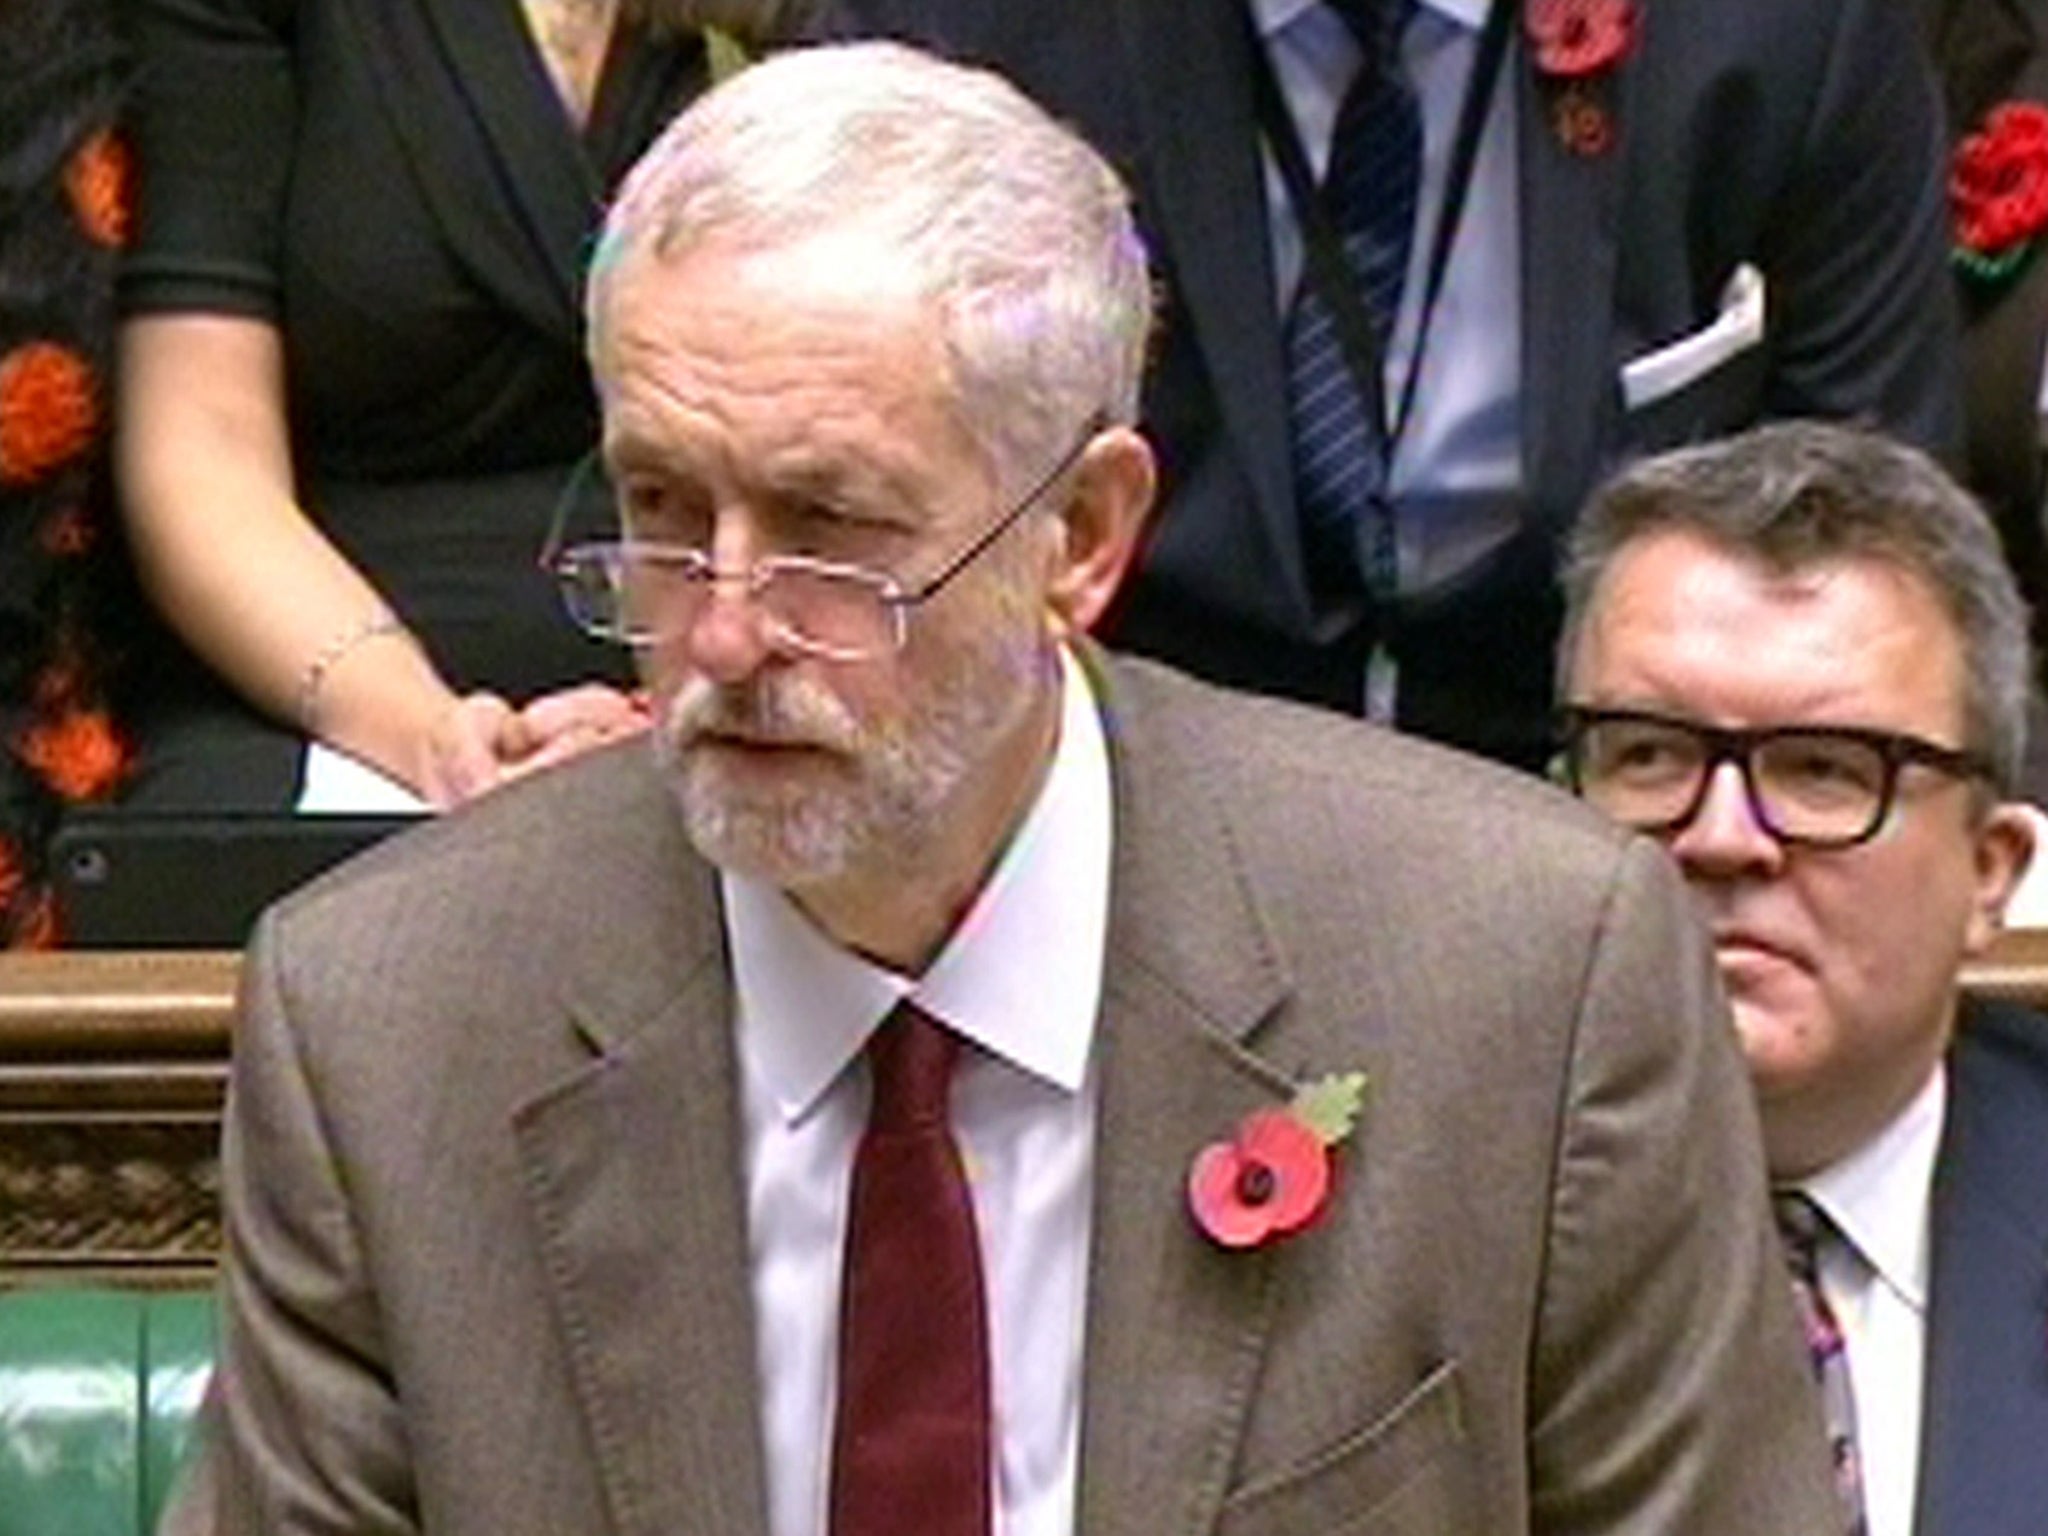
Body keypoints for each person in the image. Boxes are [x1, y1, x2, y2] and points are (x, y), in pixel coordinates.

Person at [165, 42, 1839, 1535]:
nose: (727, 630)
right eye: (664, 507)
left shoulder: (1518, 981)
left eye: (832, 529)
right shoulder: (395, 1022)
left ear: (1084, 538)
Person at [833, 0, 1961, 772]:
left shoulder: (1781, 33)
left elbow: (1883, 561)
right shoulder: (957, 31)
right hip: (1114, 800)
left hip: (1608, 818)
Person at [114, 0, 814, 810]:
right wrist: (435, 739)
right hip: (331, 680)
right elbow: (201, 450)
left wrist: (690, 695)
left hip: (766, 641)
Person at [1557, 420, 2048, 1536]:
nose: (1723, 837)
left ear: (1989, 870)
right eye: (1647, 755)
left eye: (1825, 771)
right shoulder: (1406, 1208)